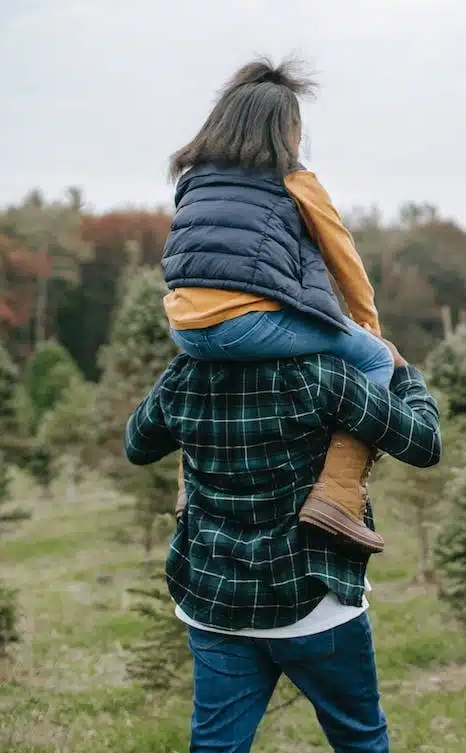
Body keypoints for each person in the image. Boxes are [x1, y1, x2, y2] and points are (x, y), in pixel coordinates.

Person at [125, 336, 441, 753]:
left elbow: (138, 444)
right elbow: (423, 442)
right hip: (314, 604)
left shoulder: (187, 372)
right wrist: (404, 372)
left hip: (216, 603)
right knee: (359, 739)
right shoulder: (319, 374)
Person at [160, 58, 391, 553]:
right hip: (245, 324)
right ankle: (338, 494)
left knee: (204, 378)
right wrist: (370, 328)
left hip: (186, 330)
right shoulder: (292, 179)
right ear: (285, 130)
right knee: (374, 359)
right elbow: (342, 255)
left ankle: (188, 492)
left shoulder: (195, 178)